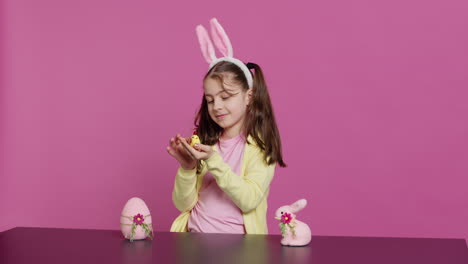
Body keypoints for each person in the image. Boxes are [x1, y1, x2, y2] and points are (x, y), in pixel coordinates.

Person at [166, 18, 286, 235]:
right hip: (193, 242)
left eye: (226, 96)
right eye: (210, 100)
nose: (217, 106)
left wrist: (213, 161)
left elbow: (249, 200)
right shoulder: (206, 143)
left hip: (237, 248)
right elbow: (183, 205)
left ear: (249, 97)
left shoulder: (259, 145)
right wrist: (188, 168)